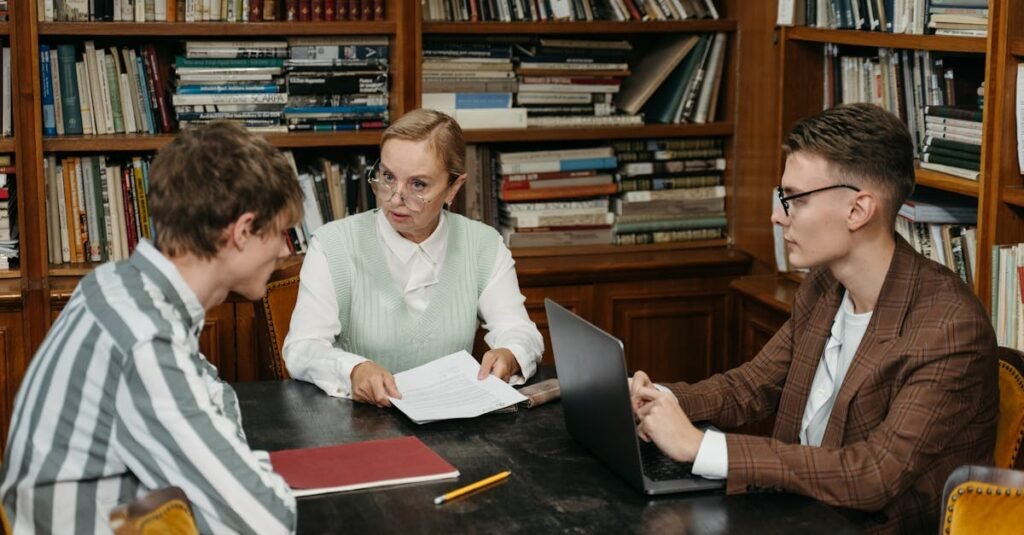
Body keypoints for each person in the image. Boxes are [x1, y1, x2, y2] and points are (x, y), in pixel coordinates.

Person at [630, 103, 997, 533]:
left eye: (796, 200)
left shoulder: (950, 328)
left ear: (858, 210)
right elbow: (751, 386)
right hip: (798, 516)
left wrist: (700, 446)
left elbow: (873, 475)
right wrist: (657, 400)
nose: (778, 214)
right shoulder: (825, 286)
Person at [0, 121, 302, 534]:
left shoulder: (116, 282)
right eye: (282, 231)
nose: (286, 249)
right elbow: (265, 519)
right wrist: (254, 477)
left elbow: (217, 400)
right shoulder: (145, 338)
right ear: (243, 231)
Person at [283, 108, 543, 406]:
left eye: (417, 185)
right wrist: (353, 370)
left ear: (453, 187)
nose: (394, 198)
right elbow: (302, 348)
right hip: (360, 427)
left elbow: (520, 331)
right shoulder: (332, 245)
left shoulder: (483, 245)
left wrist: (510, 353)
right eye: (387, 177)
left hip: (452, 427)